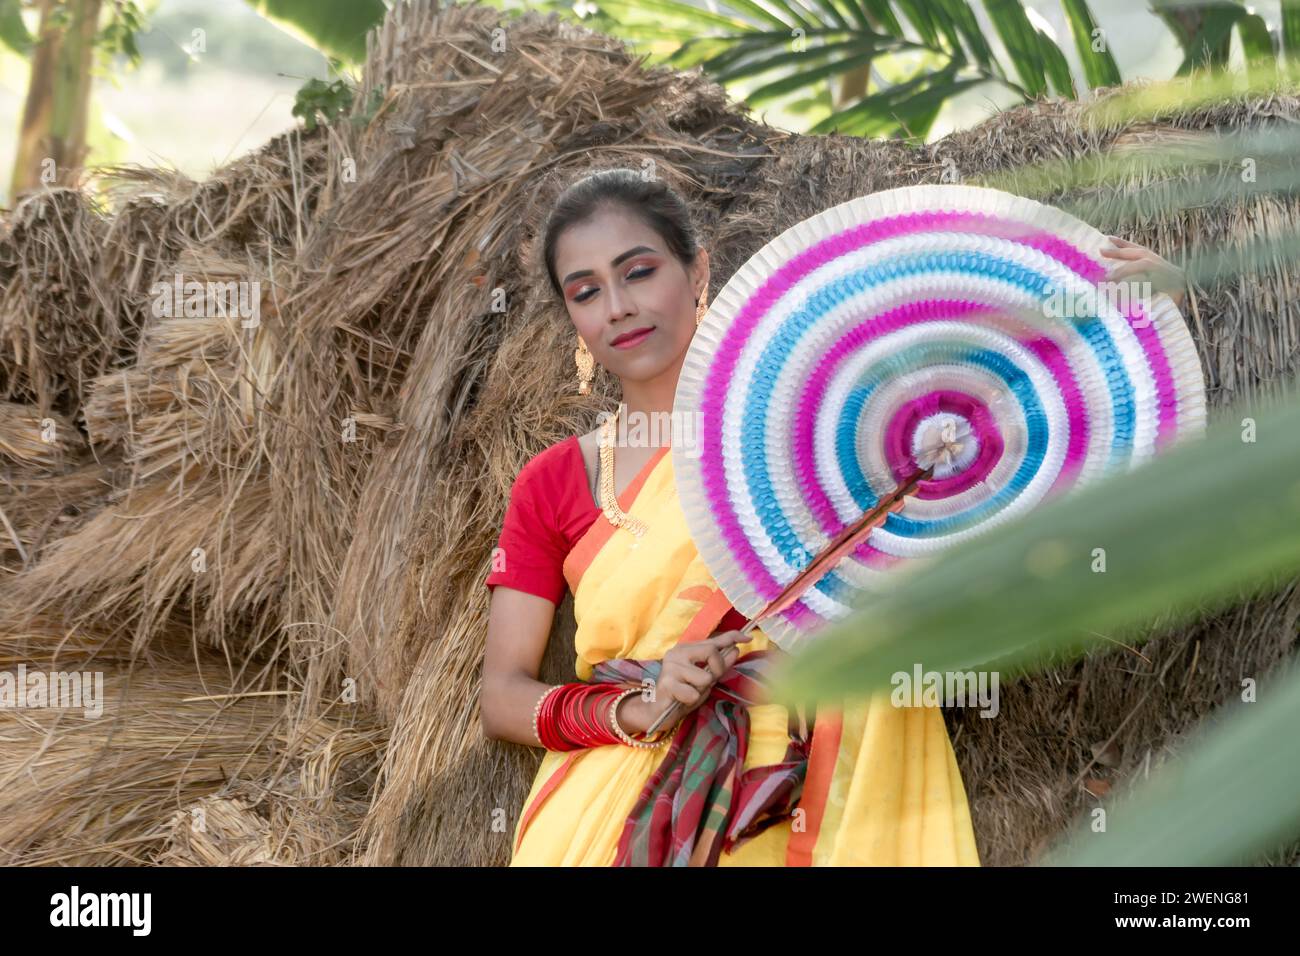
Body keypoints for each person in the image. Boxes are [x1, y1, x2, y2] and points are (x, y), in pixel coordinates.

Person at [479, 167, 1187, 867]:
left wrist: (1133, 319)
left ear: (698, 270)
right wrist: (639, 706)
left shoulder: (822, 418)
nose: (617, 307)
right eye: (586, 291)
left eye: (638, 272)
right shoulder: (554, 482)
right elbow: (502, 697)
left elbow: (1009, 401)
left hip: (837, 762)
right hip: (610, 809)